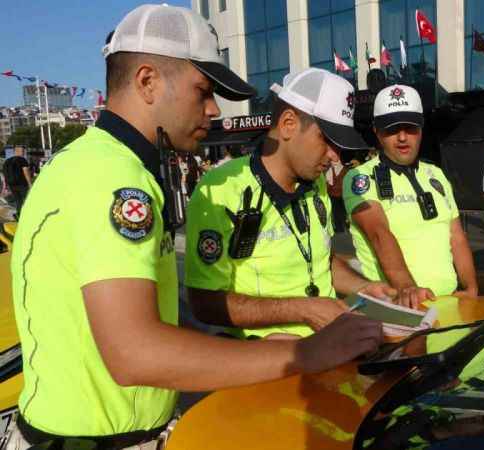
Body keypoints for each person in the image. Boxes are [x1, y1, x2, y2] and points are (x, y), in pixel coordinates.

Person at [6, 6, 382, 449]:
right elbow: (135, 353)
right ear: (147, 81)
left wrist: (263, 348)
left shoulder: (103, 164)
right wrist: (302, 353)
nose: (214, 109)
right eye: (203, 90)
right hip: (90, 440)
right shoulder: (112, 177)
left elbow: (145, 322)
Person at [184, 67, 398, 340]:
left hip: (334, 348)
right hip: (268, 368)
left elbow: (321, 260)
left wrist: (364, 287)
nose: (335, 156)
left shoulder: (315, 182)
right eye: (327, 139)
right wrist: (303, 310)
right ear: (288, 124)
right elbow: (204, 302)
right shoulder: (219, 189)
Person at [343, 85, 478, 307]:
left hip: (449, 302)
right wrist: (408, 289)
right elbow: (379, 234)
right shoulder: (362, 177)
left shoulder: (436, 174)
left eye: (410, 128)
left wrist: (471, 287)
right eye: (392, 129)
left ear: (422, 128)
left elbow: (456, 236)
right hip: (400, 304)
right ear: (377, 131)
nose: (403, 137)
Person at [2, 146, 32, 215]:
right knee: (26, 200)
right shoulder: (22, 160)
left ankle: (19, 214)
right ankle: (27, 215)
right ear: (19, 151)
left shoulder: (7, 161)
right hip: (22, 184)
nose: (24, 152)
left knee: (18, 201)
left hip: (12, 185)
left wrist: (5, 186)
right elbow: (26, 172)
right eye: (23, 151)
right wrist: (30, 184)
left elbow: (4, 174)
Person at [325, 157, 348, 232]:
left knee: (337, 213)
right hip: (342, 194)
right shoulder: (344, 168)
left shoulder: (330, 169)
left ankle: (339, 229)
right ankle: (345, 227)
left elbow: (329, 183)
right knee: (343, 211)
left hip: (334, 195)